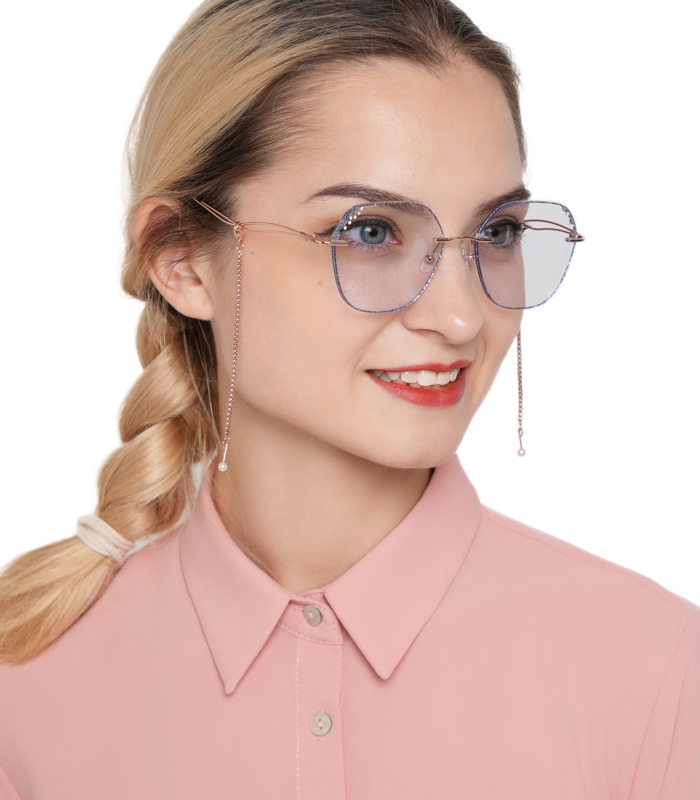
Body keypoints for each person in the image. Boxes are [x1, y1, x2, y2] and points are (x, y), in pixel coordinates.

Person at [0, 0, 697, 797]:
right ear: (181, 258)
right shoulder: (29, 691)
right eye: (370, 232)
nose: (462, 317)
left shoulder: (659, 675)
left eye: (496, 233)